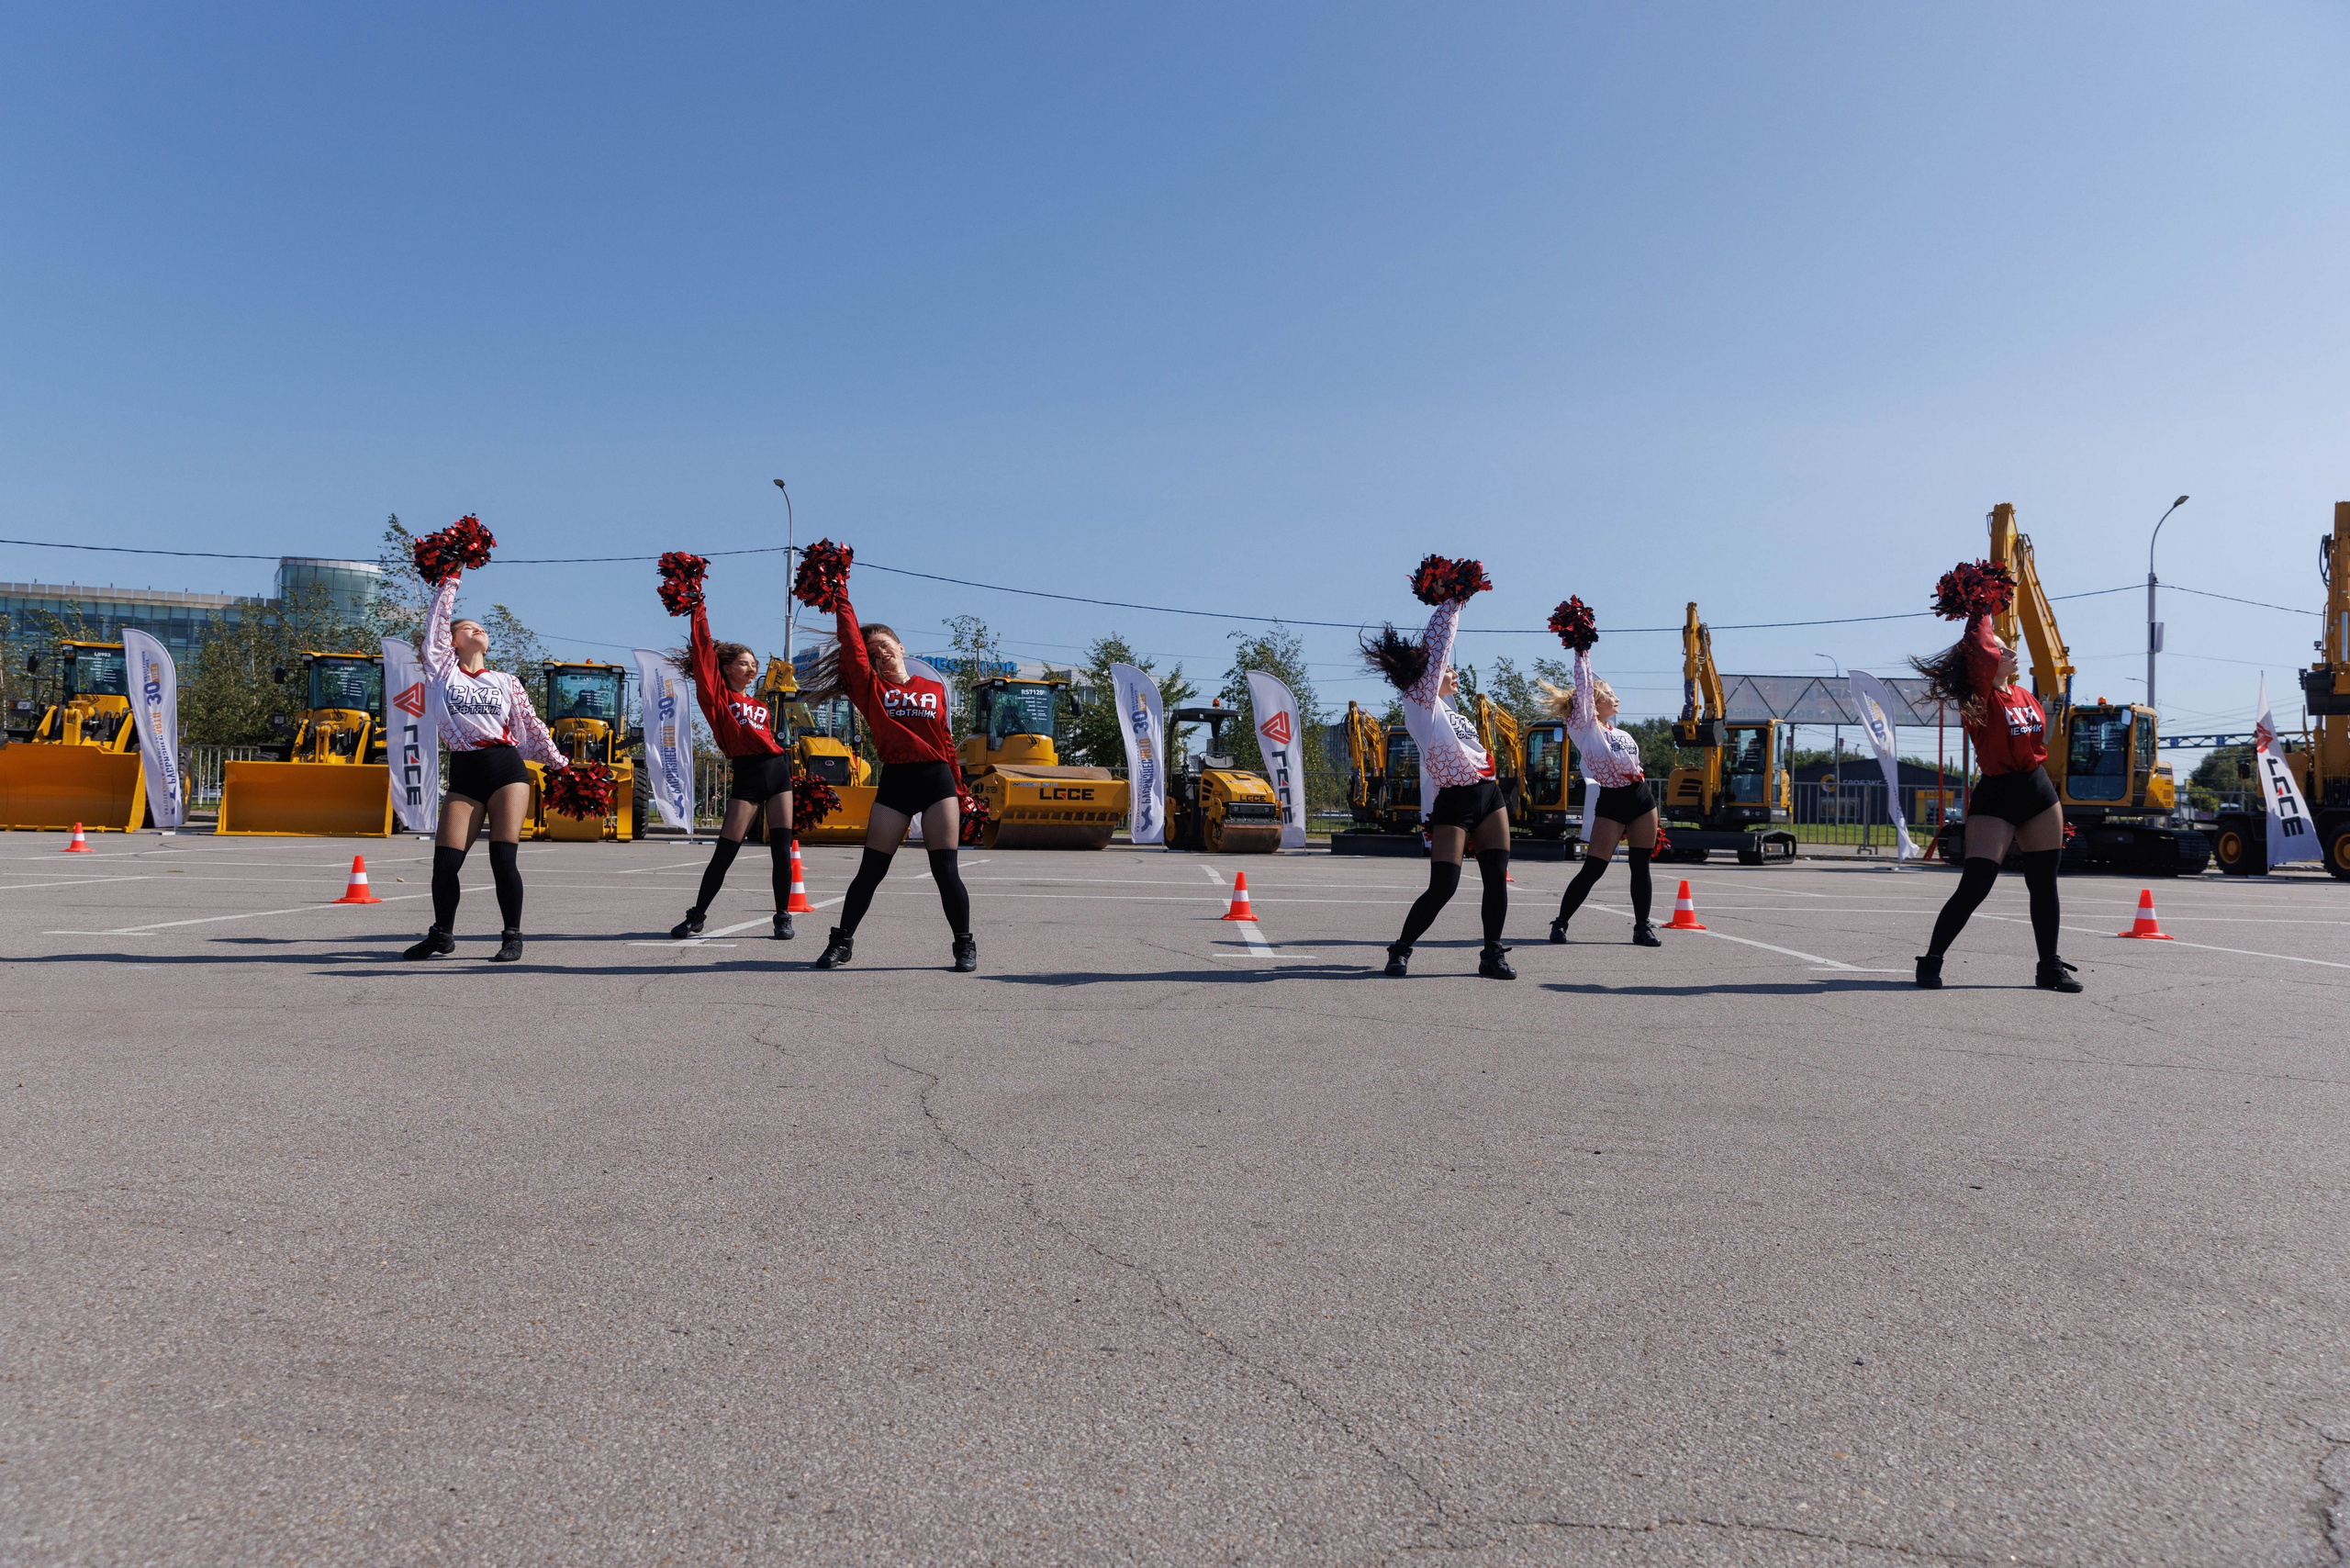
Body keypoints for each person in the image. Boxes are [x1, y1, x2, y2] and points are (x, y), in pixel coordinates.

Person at [800, 591, 976, 971]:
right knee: (871, 870)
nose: (880, 654)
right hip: (896, 781)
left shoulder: (933, 689)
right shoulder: (870, 689)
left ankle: (964, 945)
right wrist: (841, 595)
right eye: (872, 651)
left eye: (885, 646)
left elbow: (945, 742)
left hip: (936, 782)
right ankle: (841, 943)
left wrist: (961, 791)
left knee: (945, 870)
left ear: (901, 646)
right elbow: (850, 645)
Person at [403, 566, 569, 963]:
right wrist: (452, 577)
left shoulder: (507, 681)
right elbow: (437, 621)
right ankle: (442, 935)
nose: (477, 629)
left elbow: (531, 726)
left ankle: (512, 936)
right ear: (451, 641)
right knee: (445, 863)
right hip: (464, 770)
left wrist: (561, 766)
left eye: (481, 627)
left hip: (505, 768)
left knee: (502, 857)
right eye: (468, 627)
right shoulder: (442, 672)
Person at [1909, 611, 2079, 991]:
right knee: (1976, 884)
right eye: (2001, 650)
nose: (2012, 651)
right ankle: (1931, 959)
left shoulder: (2025, 695)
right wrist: (1979, 605)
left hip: (2037, 790)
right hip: (1997, 792)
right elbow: (1979, 644)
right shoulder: (1979, 699)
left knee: (2043, 883)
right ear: (1985, 659)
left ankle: (2049, 966)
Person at [1361, 590, 1514, 980]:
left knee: (1496, 877)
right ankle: (1401, 948)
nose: (1454, 672)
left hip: (1488, 794)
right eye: (1448, 669)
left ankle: (1491, 954)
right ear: (1429, 674)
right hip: (1455, 802)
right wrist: (1453, 602)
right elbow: (1439, 647)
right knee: (1444, 886)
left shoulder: (1451, 711)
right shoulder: (1420, 704)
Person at [669, 597, 795, 940]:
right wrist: (697, 607)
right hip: (749, 775)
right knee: (725, 852)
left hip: (778, 771)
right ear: (725, 668)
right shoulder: (717, 698)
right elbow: (702, 653)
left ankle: (783, 916)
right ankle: (696, 916)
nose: (752, 669)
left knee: (782, 849)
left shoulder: (757, 703)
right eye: (743, 663)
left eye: (753, 664)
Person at [1545, 640, 1660, 946]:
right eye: (1609, 694)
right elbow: (1583, 684)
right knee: (1594, 867)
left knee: (1641, 865)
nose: (1616, 698)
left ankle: (1641, 926)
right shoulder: (1584, 726)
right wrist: (1582, 651)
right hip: (1612, 799)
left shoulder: (1621, 733)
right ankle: (1561, 923)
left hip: (1640, 798)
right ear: (1594, 701)